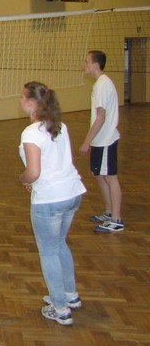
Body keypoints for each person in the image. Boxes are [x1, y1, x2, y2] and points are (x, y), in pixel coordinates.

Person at [18, 81, 86, 326]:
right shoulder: (59, 125)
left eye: (22, 97)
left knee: (48, 251)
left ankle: (60, 308)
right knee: (59, 244)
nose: (19, 100)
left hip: (50, 199)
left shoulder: (31, 132)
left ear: (32, 103)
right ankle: (70, 294)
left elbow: (33, 172)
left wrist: (23, 179)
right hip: (72, 193)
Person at [79, 50, 124, 232]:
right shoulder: (100, 84)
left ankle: (116, 219)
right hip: (100, 139)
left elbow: (101, 117)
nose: (84, 64)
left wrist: (86, 141)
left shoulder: (102, 85)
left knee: (110, 177)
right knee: (98, 174)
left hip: (106, 139)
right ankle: (109, 211)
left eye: (86, 61)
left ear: (95, 64)